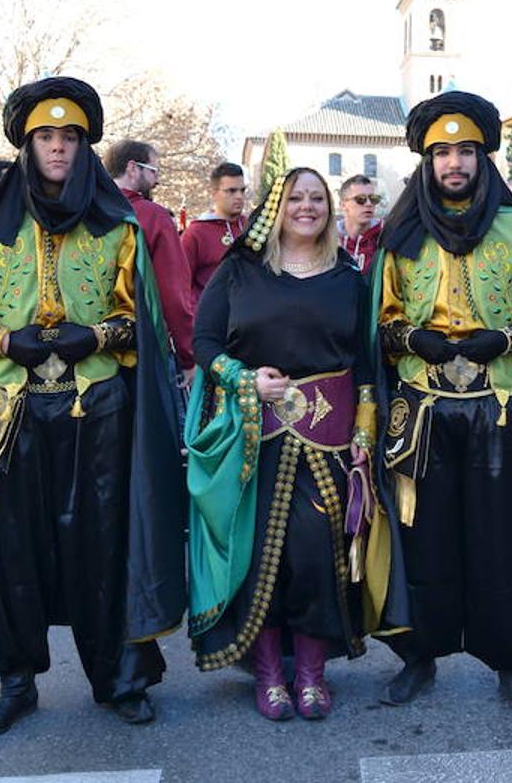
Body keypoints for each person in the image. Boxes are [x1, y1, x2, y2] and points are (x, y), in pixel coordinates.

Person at [0, 77, 185, 737]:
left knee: (105, 548)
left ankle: (119, 678)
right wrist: (6, 339)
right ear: (27, 146)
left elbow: (135, 322)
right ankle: (16, 680)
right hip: (9, 416)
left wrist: (99, 335)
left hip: (100, 412)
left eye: (71, 137)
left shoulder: (118, 228)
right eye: (46, 137)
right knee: (8, 555)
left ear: (86, 147)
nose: (58, 148)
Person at [373, 91, 512, 712]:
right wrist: (413, 337)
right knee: (423, 536)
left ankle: (510, 662)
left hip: (499, 406)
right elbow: (381, 322)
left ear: (483, 158)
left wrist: (502, 338)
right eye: (442, 153)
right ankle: (419, 657)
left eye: (465, 151)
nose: (454, 162)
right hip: (422, 409)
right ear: (427, 162)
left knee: (500, 538)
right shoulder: (398, 233)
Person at [187, 166, 375, 721]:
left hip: (330, 440)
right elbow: (204, 342)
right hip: (254, 435)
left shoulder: (349, 276)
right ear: (277, 206)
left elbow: (365, 361)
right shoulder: (240, 270)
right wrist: (245, 380)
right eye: (296, 197)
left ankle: (312, 674)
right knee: (259, 557)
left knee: (317, 554)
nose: (308, 207)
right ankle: (269, 675)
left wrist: (365, 429)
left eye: (317, 198)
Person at [106, 139, 195, 377]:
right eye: (154, 171)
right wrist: (188, 357)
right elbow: (173, 293)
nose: (158, 180)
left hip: (91, 353)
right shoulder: (154, 216)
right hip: (143, 346)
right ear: (133, 168)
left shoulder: (84, 211)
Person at [181, 162, 248, 302]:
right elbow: (182, 286)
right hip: (212, 317)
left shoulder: (252, 226)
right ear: (214, 193)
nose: (239, 196)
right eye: (231, 191)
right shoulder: (195, 233)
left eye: (242, 190)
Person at [336, 174, 382, 274]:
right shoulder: (328, 239)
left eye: (373, 199)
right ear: (343, 205)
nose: (369, 204)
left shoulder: (385, 237)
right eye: (360, 199)